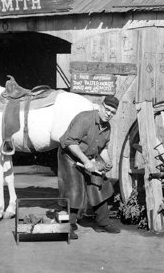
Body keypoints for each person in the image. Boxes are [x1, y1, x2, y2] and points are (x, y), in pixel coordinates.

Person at [58, 95, 121, 239]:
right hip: (69, 155)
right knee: (75, 189)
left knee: (99, 185)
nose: (108, 113)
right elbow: (70, 143)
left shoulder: (107, 127)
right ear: (101, 106)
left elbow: (103, 147)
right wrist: (86, 162)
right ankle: (67, 226)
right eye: (107, 109)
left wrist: (107, 161)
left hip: (87, 156)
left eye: (112, 112)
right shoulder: (85, 119)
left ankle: (102, 223)